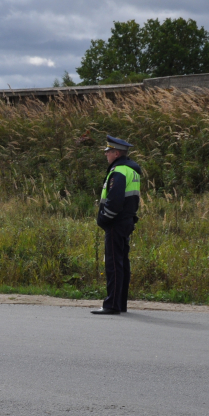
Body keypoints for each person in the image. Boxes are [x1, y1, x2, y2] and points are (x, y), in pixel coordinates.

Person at [92, 135, 142, 315]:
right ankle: (120, 303)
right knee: (122, 263)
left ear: (116, 153)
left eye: (108, 152)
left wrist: (105, 218)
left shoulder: (119, 171)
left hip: (116, 222)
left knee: (113, 264)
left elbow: (115, 200)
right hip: (126, 221)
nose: (106, 155)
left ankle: (111, 305)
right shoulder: (131, 169)